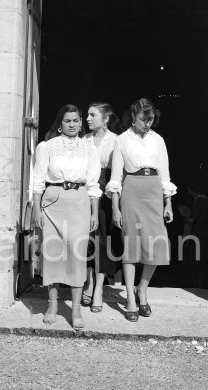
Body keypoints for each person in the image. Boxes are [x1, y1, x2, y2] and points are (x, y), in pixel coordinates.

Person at [107, 98, 177, 322]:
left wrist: (168, 202)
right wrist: (115, 208)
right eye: (143, 119)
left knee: (157, 244)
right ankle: (130, 299)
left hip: (154, 190)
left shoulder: (159, 140)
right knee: (132, 245)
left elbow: (165, 173)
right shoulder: (121, 140)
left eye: (151, 119)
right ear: (133, 117)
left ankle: (142, 290)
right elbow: (116, 176)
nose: (148, 123)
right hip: (132, 191)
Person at [32, 104, 101, 330]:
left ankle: (76, 310)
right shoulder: (47, 147)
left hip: (79, 202)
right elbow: (38, 181)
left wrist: (94, 212)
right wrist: (36, 210)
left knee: (76, 254)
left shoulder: (90, 149)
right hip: (53, 202)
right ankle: (52, 305)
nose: (72, 125)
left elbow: (92, 184)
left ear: (81, 123)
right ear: (60, 124)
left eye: (76, 121)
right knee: (53, 254)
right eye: (67, 121)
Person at [82, 102, 122, 312]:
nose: (87, 119)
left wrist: (115, 205)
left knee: (103, 241)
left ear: (105, 118)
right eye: (87, 115)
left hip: (106, 192)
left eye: (92, 115)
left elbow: (117, 174)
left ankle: (99, 287)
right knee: (87, 239)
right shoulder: (83, 140)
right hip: (86, 191)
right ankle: (88, 282)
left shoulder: (116, 140)